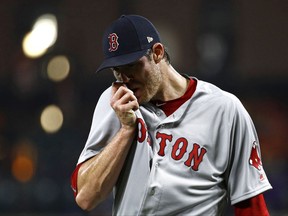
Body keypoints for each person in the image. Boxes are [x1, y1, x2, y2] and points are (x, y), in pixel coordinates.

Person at [71, 14, 272, 215]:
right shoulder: (115, 102)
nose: (125, 78)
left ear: (157, 53)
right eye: (117, 70)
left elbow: (251, 202)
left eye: (131, 66)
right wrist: (125, 130)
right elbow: (86, 197)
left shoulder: (224, 110)